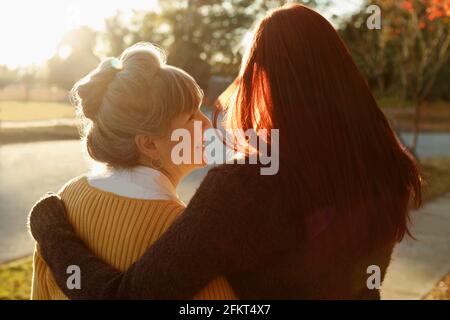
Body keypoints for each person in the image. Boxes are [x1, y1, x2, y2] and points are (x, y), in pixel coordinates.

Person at [29, 3, 422, 299]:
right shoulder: (391, 171)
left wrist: (52, 230)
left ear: (266, 83)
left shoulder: (242, 191)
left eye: (249, 71)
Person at [31, 43, 236, 300]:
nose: (206, 122)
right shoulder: (184, 238)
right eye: (190, 117)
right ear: (150, 144)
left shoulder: (66, 199)